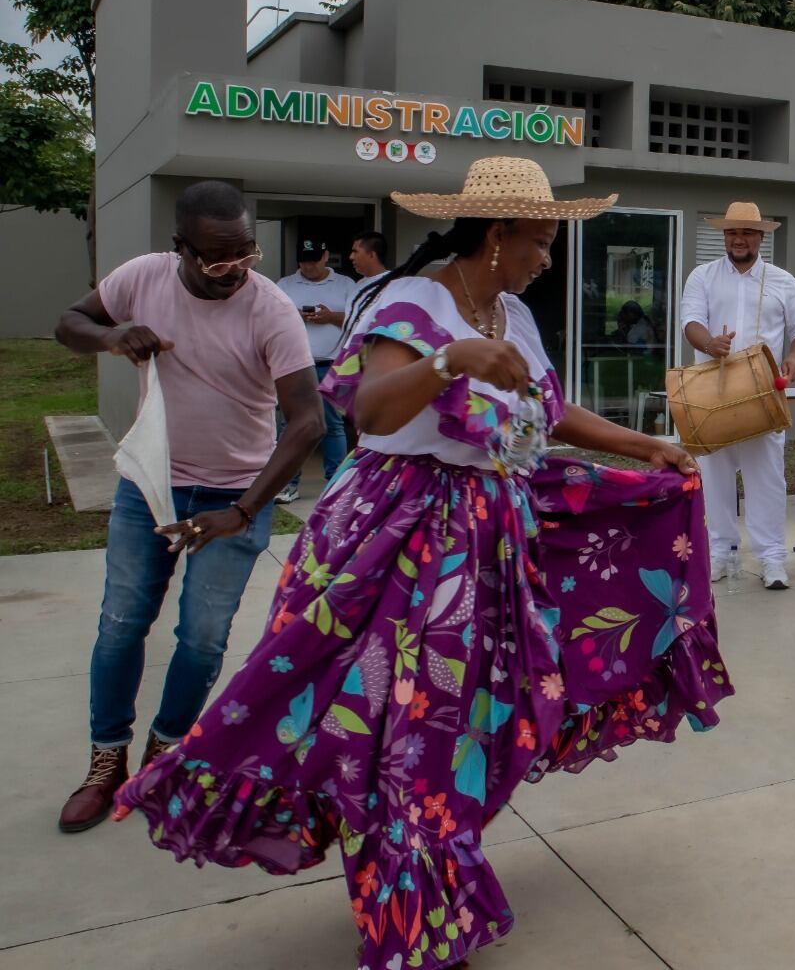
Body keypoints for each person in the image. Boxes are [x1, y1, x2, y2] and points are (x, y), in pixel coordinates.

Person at [116, 156, 731, 970]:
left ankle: (428, 885)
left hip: (490, 537)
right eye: (540, 241)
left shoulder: (513, 312)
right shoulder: (412, 300)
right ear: (497, 232)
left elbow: (549, 412)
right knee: (408, 732)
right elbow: (370, 411)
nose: (547, 258)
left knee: (471, 724)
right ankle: (412, 914)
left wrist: (642, 444)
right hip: (399, 536)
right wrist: (452, 360)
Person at [52, 180, 324, 833]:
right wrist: (114, 334)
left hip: (236, 494)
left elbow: (308, 421)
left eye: (247, 253)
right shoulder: (143, 277)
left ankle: (166, 753)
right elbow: (69, 324)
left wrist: (243, 510)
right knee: (121, 623)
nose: (236, 269)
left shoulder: (271, 309)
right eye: (218, 258)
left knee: (203, 638)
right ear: (181, 247)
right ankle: (107, 759)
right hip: (150, 486)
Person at [681, 202, 795, 589]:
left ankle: (771, 558)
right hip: (713, 392)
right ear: (724, 236)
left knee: (767, 478)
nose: (738, 239)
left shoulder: (782, 281)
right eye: (732, 232)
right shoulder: (703, 276)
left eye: (746, 232)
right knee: (715, 474)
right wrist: (710, 342)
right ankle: (721, 553)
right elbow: (690, 321)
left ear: (761, 237)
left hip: (762, 393)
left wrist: (794, 358)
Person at [274, 238, 357, 502]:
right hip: (294, 366)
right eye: (304, 261)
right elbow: (271, 318)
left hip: (330, 363)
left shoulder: (345, 284)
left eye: (313, 260)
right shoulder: (285, 285)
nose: (308, 266)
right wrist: (295, 316)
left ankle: (335, 484)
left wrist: (330, 316)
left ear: (325, 257)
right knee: (291, 424)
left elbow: (359, 318)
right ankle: (288, 483)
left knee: (332, 424)